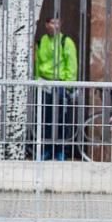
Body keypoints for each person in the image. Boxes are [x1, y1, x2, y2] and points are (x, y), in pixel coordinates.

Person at [35, 16, 78, 161]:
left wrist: (68, 86)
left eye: (57, 22)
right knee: (45, 119)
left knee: (61, 119)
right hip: (44, 83)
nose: (55, 25)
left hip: (60, 84)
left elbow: (71, 66)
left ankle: (60, 151)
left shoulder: (66, 42)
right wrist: (36, 81)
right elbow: (37, 65)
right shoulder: (41, 42)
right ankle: (46, 149)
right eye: (52, 22)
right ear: (46, 24)